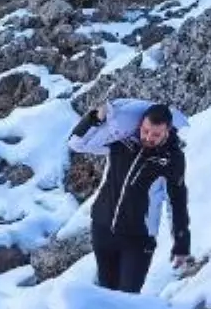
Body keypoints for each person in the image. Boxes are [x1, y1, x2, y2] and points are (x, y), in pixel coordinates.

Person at [68, 99, 191, 293]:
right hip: (102, 229)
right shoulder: (120, 142)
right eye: (145, 130)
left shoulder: (172, 159)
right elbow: (77, 143)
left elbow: (177, 201)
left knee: (127, 298)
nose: (148, 137)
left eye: (156, 134)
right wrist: (95, 117)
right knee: (106, 294)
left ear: (167, 131)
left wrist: (181, 244)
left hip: (139, 239)